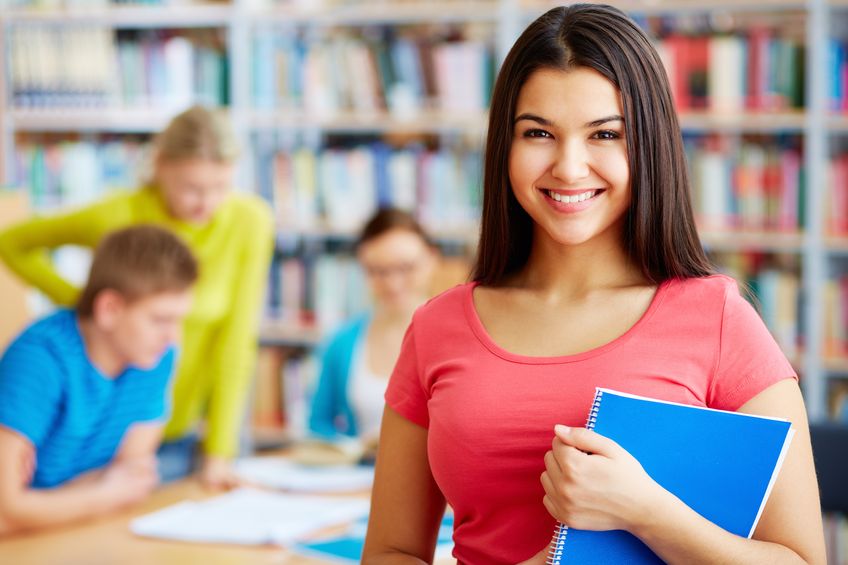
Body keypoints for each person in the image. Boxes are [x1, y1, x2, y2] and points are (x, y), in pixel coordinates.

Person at [363, 5, 825, 565]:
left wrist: (646, 512)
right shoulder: (439, 326)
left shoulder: (720, 319)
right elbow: (390, 551)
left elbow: (801, 560)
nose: (570, 167)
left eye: (604, 134)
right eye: (538, 133)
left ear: (648, 146)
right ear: (503, 146)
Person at [0, 106, 274, 488]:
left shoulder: (250, 221)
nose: (206, 203)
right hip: (106, 433)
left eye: (221, 188)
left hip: (184, 430)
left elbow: (237, 343)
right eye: (193, 187)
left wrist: (219, 451)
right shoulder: (116, 215)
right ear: (160, 166)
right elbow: (12, 243)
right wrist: (88, 306)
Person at [0, 226, 197, 534]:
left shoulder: (155, 356)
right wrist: (103, 493)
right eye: (160, 319)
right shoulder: (40, 358)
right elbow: (6, 505)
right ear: (109, 309)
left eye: (178, 320)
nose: (172, 336)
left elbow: (132, 480)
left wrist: (35, 506)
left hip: (70, 536)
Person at [308, 208, 438, 445]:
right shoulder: (341, 342)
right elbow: (318, 424)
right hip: (361, 478)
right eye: (377, 272)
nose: (392, 283)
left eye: (406, 268)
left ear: (431, 259)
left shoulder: (461, 337)